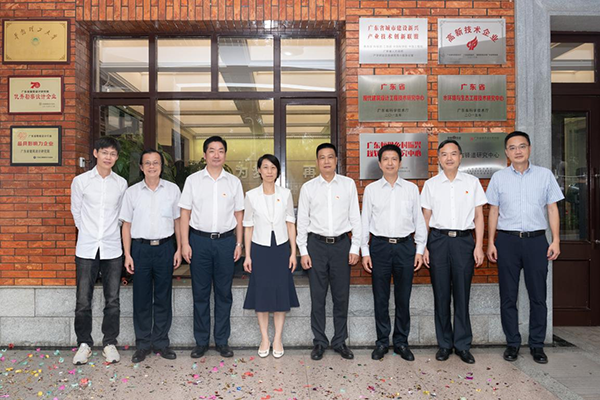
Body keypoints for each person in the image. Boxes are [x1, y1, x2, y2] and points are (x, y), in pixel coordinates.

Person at [486, 131, 564, 364]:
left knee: (538, 296)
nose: (517, 151)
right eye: (512, 147)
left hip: (536, 241)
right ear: (506, 152)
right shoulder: (499, 178)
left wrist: (556, 240)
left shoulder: (544, 175)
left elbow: (552, 209)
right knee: (508, 296)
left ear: (529, 148)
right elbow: (493, 211)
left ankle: (537, 345)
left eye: (522, 146)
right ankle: (512, 343)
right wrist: (490, 242)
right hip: (507, 241)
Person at [421, 139, 487, 364]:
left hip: (463, 242)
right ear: (438, 159)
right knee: (441, 295)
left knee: (462, 294)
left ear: (460, 157)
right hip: (438, 241)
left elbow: (479, 216)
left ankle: (462, 345)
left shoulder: (472, 182)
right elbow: (426, 218)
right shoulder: (431, 184)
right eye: (444, 154)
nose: (449, 158)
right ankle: (444, 344)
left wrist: (478, 246)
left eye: (453, 153)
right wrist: (424, 247)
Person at [179, 136, 244, 359]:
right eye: (212, 150)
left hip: (226, 242)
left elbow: (239, 215)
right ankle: (201, 342)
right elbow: (184, 213)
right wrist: (185, 243)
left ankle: (222, 341)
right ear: (205, 154)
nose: (216, 155)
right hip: (199, 242)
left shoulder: (233, 182)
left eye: (220, 150)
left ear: (225, 154)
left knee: (224, 294)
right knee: (200, 293)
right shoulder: (193, 181)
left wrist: (239, 243)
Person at [361, 144, 427, 361]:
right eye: (386, 159)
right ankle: (382, 342)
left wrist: (419, 250)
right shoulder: (371, 190)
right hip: (379, 247)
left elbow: (419, 220)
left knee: (403, 297)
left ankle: (401, 342)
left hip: (405, 247)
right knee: (380, 297)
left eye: (394, 159)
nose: (390, 163)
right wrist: (364, 251)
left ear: (400, 162)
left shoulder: (411, 189)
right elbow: (364, 221)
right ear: (379, 164)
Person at [297, 143, 361, 361]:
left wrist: (355, 247)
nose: (326, 161)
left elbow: (355, 217)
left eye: (330, 157)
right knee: (318, 297)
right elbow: (302, 221)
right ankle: (319, 341)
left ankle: (340, 341)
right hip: (316, 246)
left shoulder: (348, 184)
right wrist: (303, 251)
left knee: (341, 297)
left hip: (342, 245)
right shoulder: (308, 188)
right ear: (317, 162)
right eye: (322, 157)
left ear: (336, 160)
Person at [120, 149, 182, 363]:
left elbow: (178, 221)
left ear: (162, 166)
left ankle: (162, 343)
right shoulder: (132, 192)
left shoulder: (172, 190)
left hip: (165, 248)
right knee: (141, 299)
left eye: (156, 163)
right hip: (140, 249)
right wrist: (127, 254)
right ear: (141, 167)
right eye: (147, 163)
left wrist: (179, 249)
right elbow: (126, 225)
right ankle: (143, 344)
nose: (152, 166)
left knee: (163, 297)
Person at [70, 136, 128, 365]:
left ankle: (110, 343)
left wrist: (109, 232)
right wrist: (89, 232)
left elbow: (122, 216)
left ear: (116, 157)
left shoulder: (121, 184)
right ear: (95, 153)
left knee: (112, 300)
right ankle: (84, 344)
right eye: (104, 152)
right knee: (83, 300)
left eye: (113, 154)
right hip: (87, 248)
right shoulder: (81, 181)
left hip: (112, 248)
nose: (108, 157)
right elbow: (76, 212)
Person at [242, 154, 300, 358]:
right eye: (265, 167)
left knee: (280, 293)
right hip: (260, 248)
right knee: (262, 294)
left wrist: (293, 253)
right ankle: (265, 338)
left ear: (277, 171)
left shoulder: (285, 194)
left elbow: (290, 224)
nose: (269, 171)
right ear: (259, 170)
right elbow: (248, 226)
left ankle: (278, 339)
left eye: (273, 167)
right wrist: (247, 255)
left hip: (281, 248)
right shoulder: (251, 195)